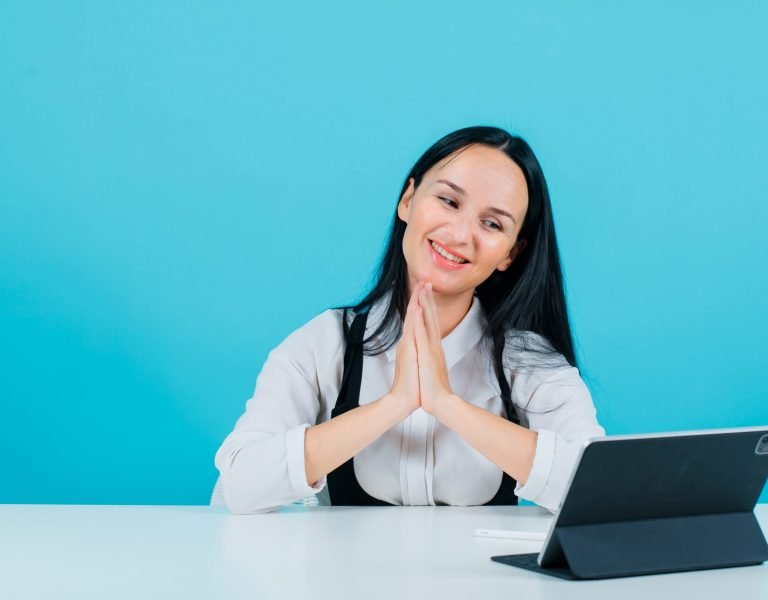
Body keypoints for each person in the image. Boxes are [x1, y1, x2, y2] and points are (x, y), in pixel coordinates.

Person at [213, 125, 604, 514]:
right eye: (449, 201)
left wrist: (447, 404)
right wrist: (395, 403)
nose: (460, 234)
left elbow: (600, 491)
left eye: (492, 224)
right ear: (408, 200)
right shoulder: (325, 344)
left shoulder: (527, 362)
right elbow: (239, 486)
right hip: (343, 578)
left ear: (510, 254)